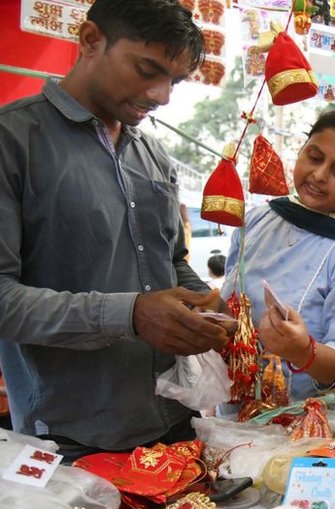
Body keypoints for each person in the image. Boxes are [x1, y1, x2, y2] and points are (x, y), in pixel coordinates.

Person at [0, 0, 233, 462]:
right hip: (69, 441)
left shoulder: (154, 156)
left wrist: (209, 307)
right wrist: (131, 315)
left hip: (174, 420)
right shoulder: (14, 141)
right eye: (147, 69)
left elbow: (169, 261)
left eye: (175, 80)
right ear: (90, 40)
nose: (162, 94)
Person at [222, 108, 335, 400]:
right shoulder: (259, 219)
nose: (320, 175)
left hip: (300, 421)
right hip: (230, 402)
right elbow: (232, 298)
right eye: (314, 157)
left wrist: (303, 352)